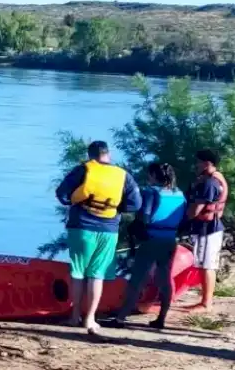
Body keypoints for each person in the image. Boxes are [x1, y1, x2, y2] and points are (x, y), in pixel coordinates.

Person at [55, 140, 142, 334]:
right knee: (97, 274)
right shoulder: (123, 175)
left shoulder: (84, 170)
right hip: (109, 229)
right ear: (107, 154)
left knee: (78, 272)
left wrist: (73, 203)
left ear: (90, 155)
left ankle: (74, 316)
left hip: (81, 228)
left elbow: (61, 194)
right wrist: (117, 209)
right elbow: (136, 203)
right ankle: (90, 319)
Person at [107, 162, 186, 329]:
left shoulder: (151, 193)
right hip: (170, 240)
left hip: (151, 239)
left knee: (137, 279)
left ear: (154, 176)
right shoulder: (179, 194)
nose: (148, 178)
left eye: (149, 175)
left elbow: (145, 217)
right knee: (164, 278)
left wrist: (135, 227)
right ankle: (161, 318)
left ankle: (120, 318)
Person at [185, 148, 227, 312]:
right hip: (206, 227)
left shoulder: (210, 182)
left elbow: (198, 208)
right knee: (203, 264)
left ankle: (206, 303)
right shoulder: (210, 179)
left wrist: (183, 220)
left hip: (210, 228)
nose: (196, 165)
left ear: (207, 163)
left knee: (208, 265)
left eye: (198, 162)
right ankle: (204, 301)